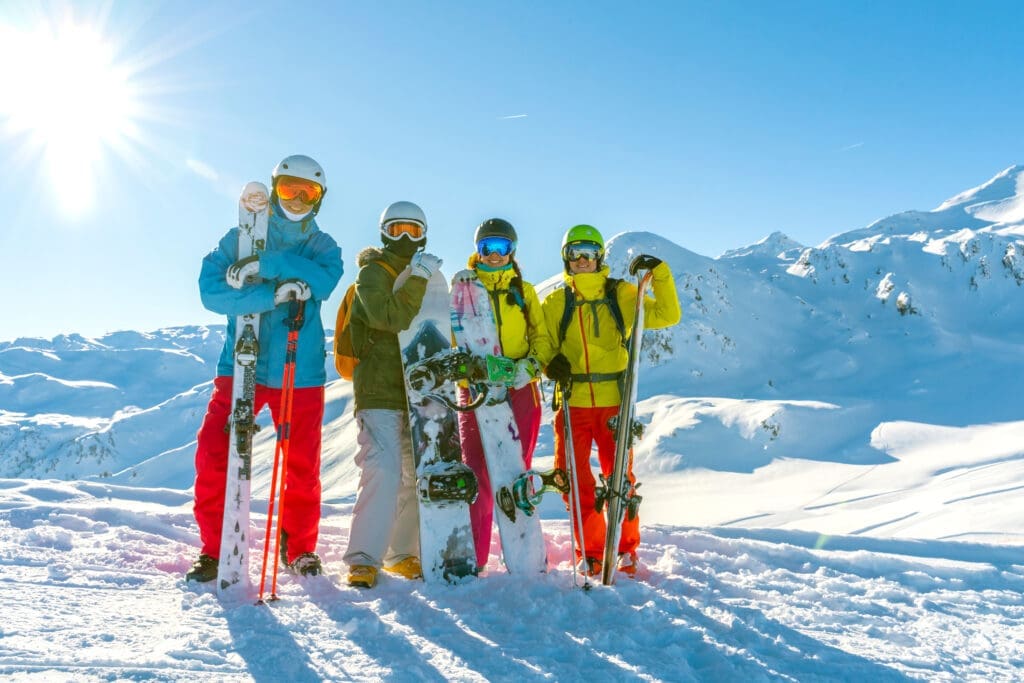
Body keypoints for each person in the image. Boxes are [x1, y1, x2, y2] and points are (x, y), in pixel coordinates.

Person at [186, 154, 343, 583]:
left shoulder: (324, 247)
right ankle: (216, 551)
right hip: (240, 364)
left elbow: (324, 282)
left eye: (307, 192)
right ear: (275, 188)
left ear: (319, 199)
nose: (296, 199)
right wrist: (270, 297)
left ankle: (299, 548)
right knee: (215, 453)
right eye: (289, 188)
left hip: (300, 371)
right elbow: (211, 292)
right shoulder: (239, 238)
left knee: (302, 465)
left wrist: (267, 266)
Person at [536, 224, 680, 578]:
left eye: (589, 252)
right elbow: (542, 341)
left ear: (600, 256)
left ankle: (626, 549)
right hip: (572, 402)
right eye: (575, 253)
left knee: (620, 480)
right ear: (566, 258)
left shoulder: (621, 295)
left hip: (615, 401)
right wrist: (549, 363)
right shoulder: (556, 302)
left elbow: (666, 314)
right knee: (574, 478)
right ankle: (592, 550)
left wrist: (659, 274)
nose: (582, 260)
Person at [342, 201, 443, 588]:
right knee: (381, 471)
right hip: (379, 388)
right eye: (398, 229)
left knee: (416, 475)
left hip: (419, 391)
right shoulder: (372, 273)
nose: (404, 238)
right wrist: (417, 277)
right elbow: (390, 317)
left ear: (424, 235)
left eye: (413, 232)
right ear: (384, 232)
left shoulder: (430, 280)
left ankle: (403, 553)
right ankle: (364, 558)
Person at [455, 218, 546, 571]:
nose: (494, 255)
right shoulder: (463, 289)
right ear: (477, 251)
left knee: (514, 470)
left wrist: (530, 367)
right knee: (476, 470)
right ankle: (475, 557)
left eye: (501, 248)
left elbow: (541, 339)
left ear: (512, 250)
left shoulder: (524, 291)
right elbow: (454, 341)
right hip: (477, 390)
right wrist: (466, 376)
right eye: (487, 248)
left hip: (520, 388)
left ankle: (524, 553)